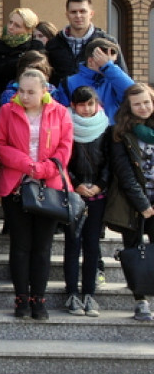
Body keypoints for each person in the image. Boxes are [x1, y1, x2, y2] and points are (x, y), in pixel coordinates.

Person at [0, 67, 73, 320]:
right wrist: (27, 165)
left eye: (31, 92)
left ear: (44, 91)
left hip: (48, 187)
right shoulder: (7, 110)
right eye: (21, 91)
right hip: (16, 186)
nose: (24, 97)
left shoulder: (60, 112)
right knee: (20, 246)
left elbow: (65, 148)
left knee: (42, 247)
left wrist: (44, 169)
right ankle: (21, 299)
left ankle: (39, 299)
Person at [108, 83, 154, 321]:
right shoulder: (120, 134)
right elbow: (124, 174)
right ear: (129, 107)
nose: (143, 107)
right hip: (134, 204)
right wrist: (143, 205)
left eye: (146, 102)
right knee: (135, 251)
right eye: (137, 104)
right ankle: (140, 301)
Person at [62, 85, 109, 317]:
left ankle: (89, 294)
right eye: (82, 104)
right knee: (73, 243)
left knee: (92, 245)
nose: (87, 108)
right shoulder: (66, 126)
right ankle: (71, 293)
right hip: (73, 194)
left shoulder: (105, 128)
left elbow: (111, 162)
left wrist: (100, 184)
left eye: (90, 104)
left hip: (98, 195)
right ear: (73, 105)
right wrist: (75, 184)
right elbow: (61, 160)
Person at [46, 0, 126, 87]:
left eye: (83, 11)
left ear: (91, 14)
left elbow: (122, 76)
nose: (78, 15)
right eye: (73, 12)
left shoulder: (107, 43)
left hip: (97, 100)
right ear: (67, 15)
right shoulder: (53, 44)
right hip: (62, 99)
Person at [0, 7, 44, 115]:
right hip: (0, 97)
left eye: (17, 25)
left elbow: (39, 69)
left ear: (28, 30)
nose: (11, 27)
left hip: (29, 98)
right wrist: (18, 62)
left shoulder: (36, 46)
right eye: (10, 22)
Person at [62, 37, 133, 124]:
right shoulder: (69, 83)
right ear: (90, 61)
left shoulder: (114, 79)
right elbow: (61, 113)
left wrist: (108, 67)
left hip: (111, 133)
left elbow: (132, 93)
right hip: (80, 133)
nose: (109, 65)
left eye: (112, 62)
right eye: (103, 61)